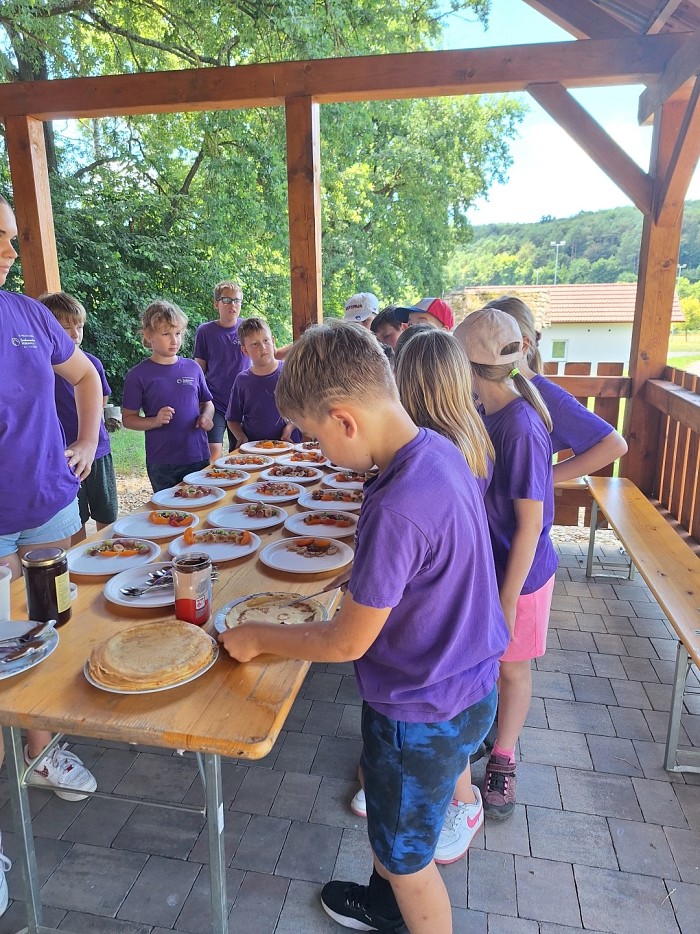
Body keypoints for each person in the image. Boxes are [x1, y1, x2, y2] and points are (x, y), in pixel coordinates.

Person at [220, 322, 509, 934]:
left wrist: (258, 636)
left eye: (317, 437)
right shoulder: (437, 449)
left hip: (417, 711)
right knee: (399, 819)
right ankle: (382, 903)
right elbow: (427, 572)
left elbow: (348, 641)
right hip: (472, 685)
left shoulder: (395, 503)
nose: (321, 453)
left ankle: (401, 902)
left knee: (409, 862)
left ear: (345, 420)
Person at [0, 195, 101, 865]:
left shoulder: (29, 312)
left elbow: (85, 375)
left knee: (48, 633)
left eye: (10, 237)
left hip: (48, 509)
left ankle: (40, 753)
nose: (9, 249)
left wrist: (87, 442)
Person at [455, 308, 557, 821]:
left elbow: (530, 526)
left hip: (523, 576)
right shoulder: (485, 410)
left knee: (513, 668)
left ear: (469, 367)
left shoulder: (519, 426)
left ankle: (504, 756)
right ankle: (484, 734)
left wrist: (508, 598)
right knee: (492, 664)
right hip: (496, 567)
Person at [483, 295, 628, 480]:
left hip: (523, 507)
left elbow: (613, 445)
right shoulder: (483, 388)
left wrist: (542, 479)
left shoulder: (549, 397)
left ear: (523, 345)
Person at [40, 291, 118, 543]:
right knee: (76, 517)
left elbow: (102, 399)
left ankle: (111, 551)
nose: (74, 335)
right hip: (64, 455)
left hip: (98, 449)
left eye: (79, 327)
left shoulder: (91, 363)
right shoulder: (42, 368)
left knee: (106, 510)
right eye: (65, 328)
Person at [122, 300, 215, 492]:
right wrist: (154, 421)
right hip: (162, 462)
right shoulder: (137, 375)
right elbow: (128, 419)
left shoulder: (193, 367)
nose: (174, 340)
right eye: (166, 334)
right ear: (149, 336)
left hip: (197, 455)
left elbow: (208, 402)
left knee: (202, 506)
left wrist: (207, 416)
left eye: (178, 333)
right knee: (168, 514)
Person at [194, 280, 248, 461]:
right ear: (216, 303)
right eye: (227, 300)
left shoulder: (247, 329)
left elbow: (269, 355)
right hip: (215, 402)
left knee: (241, 452)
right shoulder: (205, 331)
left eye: (237, 300)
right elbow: (199, 369)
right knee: (213, 451)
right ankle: (213, 486)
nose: (233, 305)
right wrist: (198, 399)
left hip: (243, 403)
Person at [225, 316, 299, 446]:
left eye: (266, 340)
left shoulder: (290, 372)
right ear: (245, 350)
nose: (262, 347)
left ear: (273, 341)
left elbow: (304, 408)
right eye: (255, 344)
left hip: (289, 447)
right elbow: (232, 419)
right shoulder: (242, 380)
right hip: (255, 450)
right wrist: (241, 436)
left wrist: (291, 427)